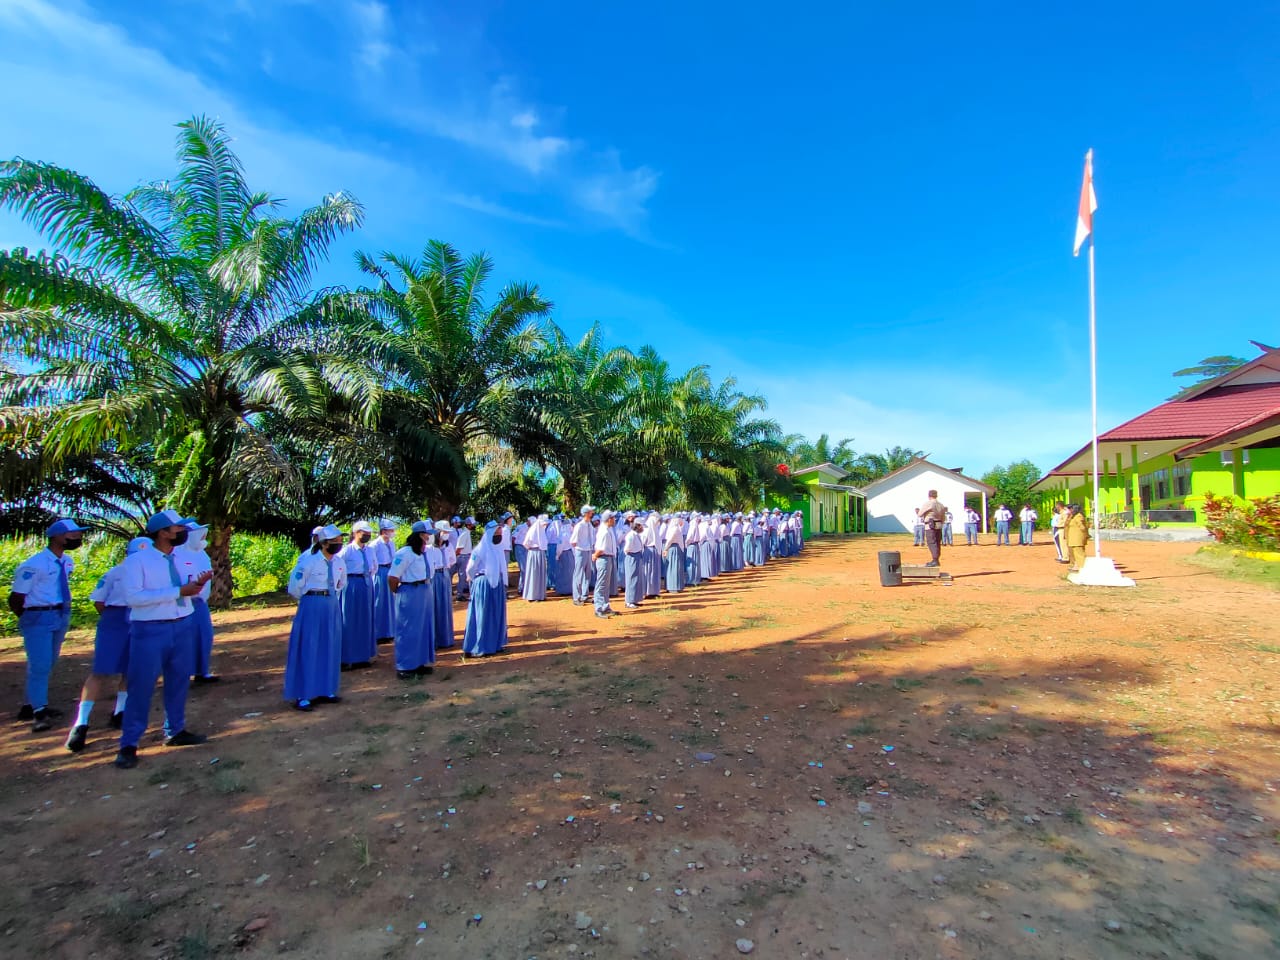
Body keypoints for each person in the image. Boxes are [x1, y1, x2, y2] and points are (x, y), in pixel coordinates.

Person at [115, 509, 212, 769]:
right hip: (150, 629)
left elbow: (187, 588)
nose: (183, 532)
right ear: (163, 533)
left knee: (179, 680)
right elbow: (134, 598)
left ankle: (175, 730)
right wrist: (178, 591)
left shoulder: (183, 558)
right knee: (141, 686)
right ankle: (129, 743)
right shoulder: (138, 562)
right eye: (178, 529)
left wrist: (196, 586)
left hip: (183, 623)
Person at [64, 536, 151, 752]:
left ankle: (119, 712)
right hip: (115, 620)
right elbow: (99, 601)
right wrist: (114, 619)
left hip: (139, 618)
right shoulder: (114, 572)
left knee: (130, 670)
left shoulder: (151, 572)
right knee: (100, 671)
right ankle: (81, 723)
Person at [9, 517, 88, 733]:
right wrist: (29, 617)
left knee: (48, 661)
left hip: (59, 614)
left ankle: (32, 704)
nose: (78, 537)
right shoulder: (34, 565)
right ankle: (39, 712)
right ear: (56, 537)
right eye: (73, 534)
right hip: (38, 616)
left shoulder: (66, 561)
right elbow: (16, 598)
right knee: (40, 664)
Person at [284, 524, 347, 712]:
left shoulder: (339, 562)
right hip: (312, 603)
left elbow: (341, 583)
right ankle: (303, 694)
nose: (339, 543)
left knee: (329, 645)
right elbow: (294, 588)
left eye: (340, 540)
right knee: (309, 646)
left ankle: (326, 689)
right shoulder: (308, 561)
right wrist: (310, 600)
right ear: (324, 543)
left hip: (331, 603)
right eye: (335, 541)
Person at [389, 521, 437, 679]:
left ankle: (420, 662)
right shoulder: (405, 553)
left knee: (423, 628)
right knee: (408, 629)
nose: (429, 537)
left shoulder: (425, 552)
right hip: (410, 591)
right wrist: (399, 591)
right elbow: (393, 577)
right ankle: (405, 666)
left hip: (425, 590)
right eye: (427, 534)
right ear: (419, 535)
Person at [180, 521, 219, 684]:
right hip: (183, 601)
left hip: (200, 602)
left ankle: (201, 671)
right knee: (183, 638)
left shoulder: (202, 554)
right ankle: (181, 672)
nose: (204, 536)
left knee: (204, 635)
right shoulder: (177, 553)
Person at [463, 521, 508, 657]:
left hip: (497, 584)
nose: (499, 534)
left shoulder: (498, 548)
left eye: (500, 532)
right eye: (497, 532)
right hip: (484, 583)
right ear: (490, 533)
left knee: (496, 614)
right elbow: (470, 568)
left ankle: (495, 644)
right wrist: (473, 579)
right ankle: (479, 646)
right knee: (482, 614)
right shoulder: (480, 548)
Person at [337, 522, 377, 670]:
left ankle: (363, 656)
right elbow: (337, 566)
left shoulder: (370, 550)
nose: (366, 535)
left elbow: (374, 567)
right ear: (355, 533)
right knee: (350, 619)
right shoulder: (347, 551)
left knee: (365, 619)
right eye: (363, 532)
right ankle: (347, 657)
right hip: (351, 584)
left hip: (366, 583)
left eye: (368, 533)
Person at [429, 521, 455, 649]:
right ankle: (434, 639)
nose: (446, 535)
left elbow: (452, 560)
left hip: (445, 575)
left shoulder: (448, 546)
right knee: (434, 605)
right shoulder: (429, 548)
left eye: (447, 533)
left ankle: (446, 638)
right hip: (434, 577)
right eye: (444, 532)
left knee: (445, 605)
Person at [371, 520, 397, 644]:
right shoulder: (374, 545)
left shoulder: (391, 544)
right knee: (379, 602)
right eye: (390, 530)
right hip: (380, 572)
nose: (392, 532)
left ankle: (389, 631)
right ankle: (378, 633)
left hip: (390, 570)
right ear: (383, 531)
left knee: (390, 602)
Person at [592, 510, 619, 619]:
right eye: (613, 518)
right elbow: (600, 548)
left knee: (606, 585)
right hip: (603, 558)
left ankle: (605, 606)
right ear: (609, 519)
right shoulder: (603, 531)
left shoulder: (609, 530)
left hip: (609, 557)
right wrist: (595, 556)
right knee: (601, 584)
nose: (615, 519)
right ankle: (598, 608)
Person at [570, 506, 595, 605]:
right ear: (586, 513)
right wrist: (577, 550)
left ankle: (585, 595)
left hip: (588, 550)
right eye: (590, 512)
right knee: (578, 574)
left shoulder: (589, 525)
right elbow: (573, 541)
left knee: (587, 575)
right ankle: (576, 597)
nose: (592, 513)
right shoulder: (579, 526)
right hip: (580, 551)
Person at [521, 515, 549, 602]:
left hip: (540, 553)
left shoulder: (541, 531)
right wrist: (532, 549)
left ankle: (540, 595)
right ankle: (532, 595)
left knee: (540, 573)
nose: (544, 526)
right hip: (533, 553)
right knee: (533, 573)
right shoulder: (533, 530)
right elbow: (525, 543)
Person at [917, 489, 947, 567]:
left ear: (929, 496)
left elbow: (920, 514)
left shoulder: (928, 503)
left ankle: (935, 560)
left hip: (930, 525)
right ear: (936, 495)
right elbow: (943, 518)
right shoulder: (941, 504)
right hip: (939, 524)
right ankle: (936, 559)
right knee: (937, 543)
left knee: (931, 542)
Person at [622, 518, 646, 609]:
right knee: (631, 578)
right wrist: (633, 554)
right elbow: (627, 548)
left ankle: (635, 599)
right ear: (638, 526)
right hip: (632, 556)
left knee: (637, 579)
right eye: (642, 526)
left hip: (637, 556)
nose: (643, 528)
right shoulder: (631, 535)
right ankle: (629, 601)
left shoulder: (636, 535)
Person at [453, 516, 475, 599]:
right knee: (463, 576)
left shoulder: (466, 533)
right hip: (463, 556)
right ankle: (459, 594)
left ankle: (461, 592)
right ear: (468, 525)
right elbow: (459, 548)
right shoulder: (464, 534)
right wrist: (457, 556)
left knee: (464, 576)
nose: (474, 526)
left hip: (465, 556)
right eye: (472, 524)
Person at [1064, 503, 1090, 572]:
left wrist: (1085, 533)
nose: (1070, 510)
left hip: (1077, 539)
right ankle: (1079, 566)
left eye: (1071, 509)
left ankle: (1083, 568)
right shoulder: (1074, 516)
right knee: (1076, 554)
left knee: (1080, 554)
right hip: (1073, 539)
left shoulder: (1078, 516)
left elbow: (1082, 527)